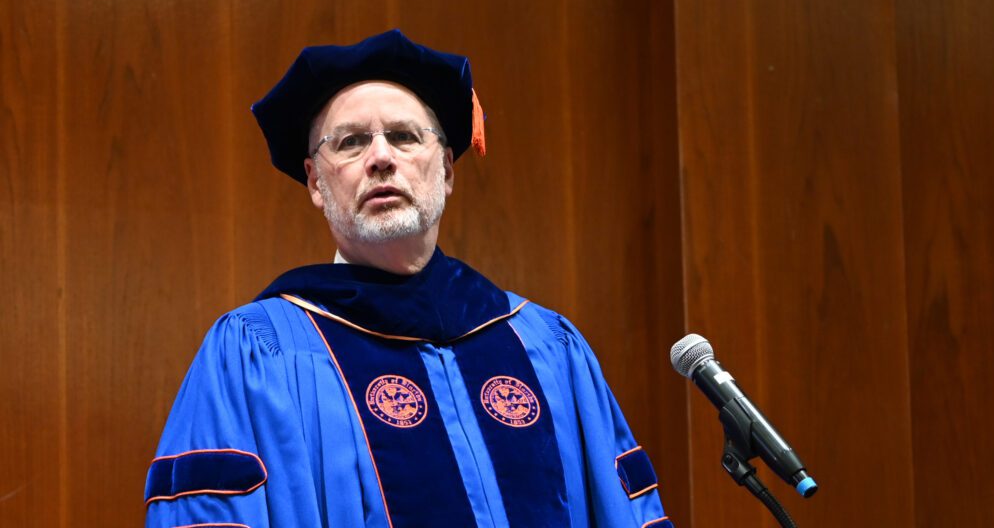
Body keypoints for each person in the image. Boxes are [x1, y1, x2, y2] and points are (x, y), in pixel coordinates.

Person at [145, 29, 672, 528]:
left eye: (403, 136)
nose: (380, 158)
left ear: (445, 169)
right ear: (314, 181)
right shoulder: (255, 353)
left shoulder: (544, 344)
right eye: (350, 142)